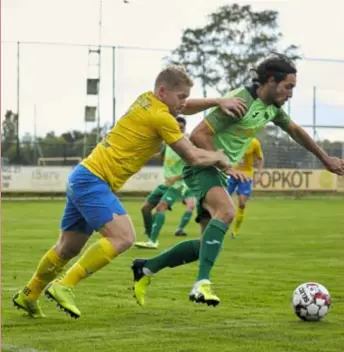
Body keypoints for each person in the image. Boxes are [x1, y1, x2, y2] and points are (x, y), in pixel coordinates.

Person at [12, 64, 248, 318]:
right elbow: (191, 156)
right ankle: (64, 285)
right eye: (181, 96)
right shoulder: (162, 118)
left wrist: (218, 100)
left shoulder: (146, 100)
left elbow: (184, 106)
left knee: (67, 248)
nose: (184, 103)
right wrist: (219, 158)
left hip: (83, 176)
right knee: (123, 237)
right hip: (93, 180)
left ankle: (29, 294)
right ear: (163, 92)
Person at [132, 53, 344, 308]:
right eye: (288, 87)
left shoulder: (272, 108)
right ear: (271, 81)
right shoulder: (242, 101)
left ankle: (145, 268)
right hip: (203, 166)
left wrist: (324, 158)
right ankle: (202, 284)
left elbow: (295, 131)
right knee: (227, 211)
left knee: (205, 245)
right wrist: (227, 165)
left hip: (218, 170)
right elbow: (199, 134)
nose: (290, 94)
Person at [136, 116, 195, 250]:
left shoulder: (186, 145)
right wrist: (144, 155)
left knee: (161, 207)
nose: (179, 130)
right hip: (166, 184)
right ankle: (150, 233)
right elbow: (161, 156)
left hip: (178, 185)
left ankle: (153, 241)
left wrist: (176, 177)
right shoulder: (168, 142)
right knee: (145, 208)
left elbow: (192, 168)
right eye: (177, 127)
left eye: (182, 128)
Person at [228, 137, 264, 239]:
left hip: (246, 175)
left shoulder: (254, 142)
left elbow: (260, 158)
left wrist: (259, 174)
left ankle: (235, 231)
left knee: (242, 203)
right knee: (222, 200)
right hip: (232, 173)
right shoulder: (233, 139)